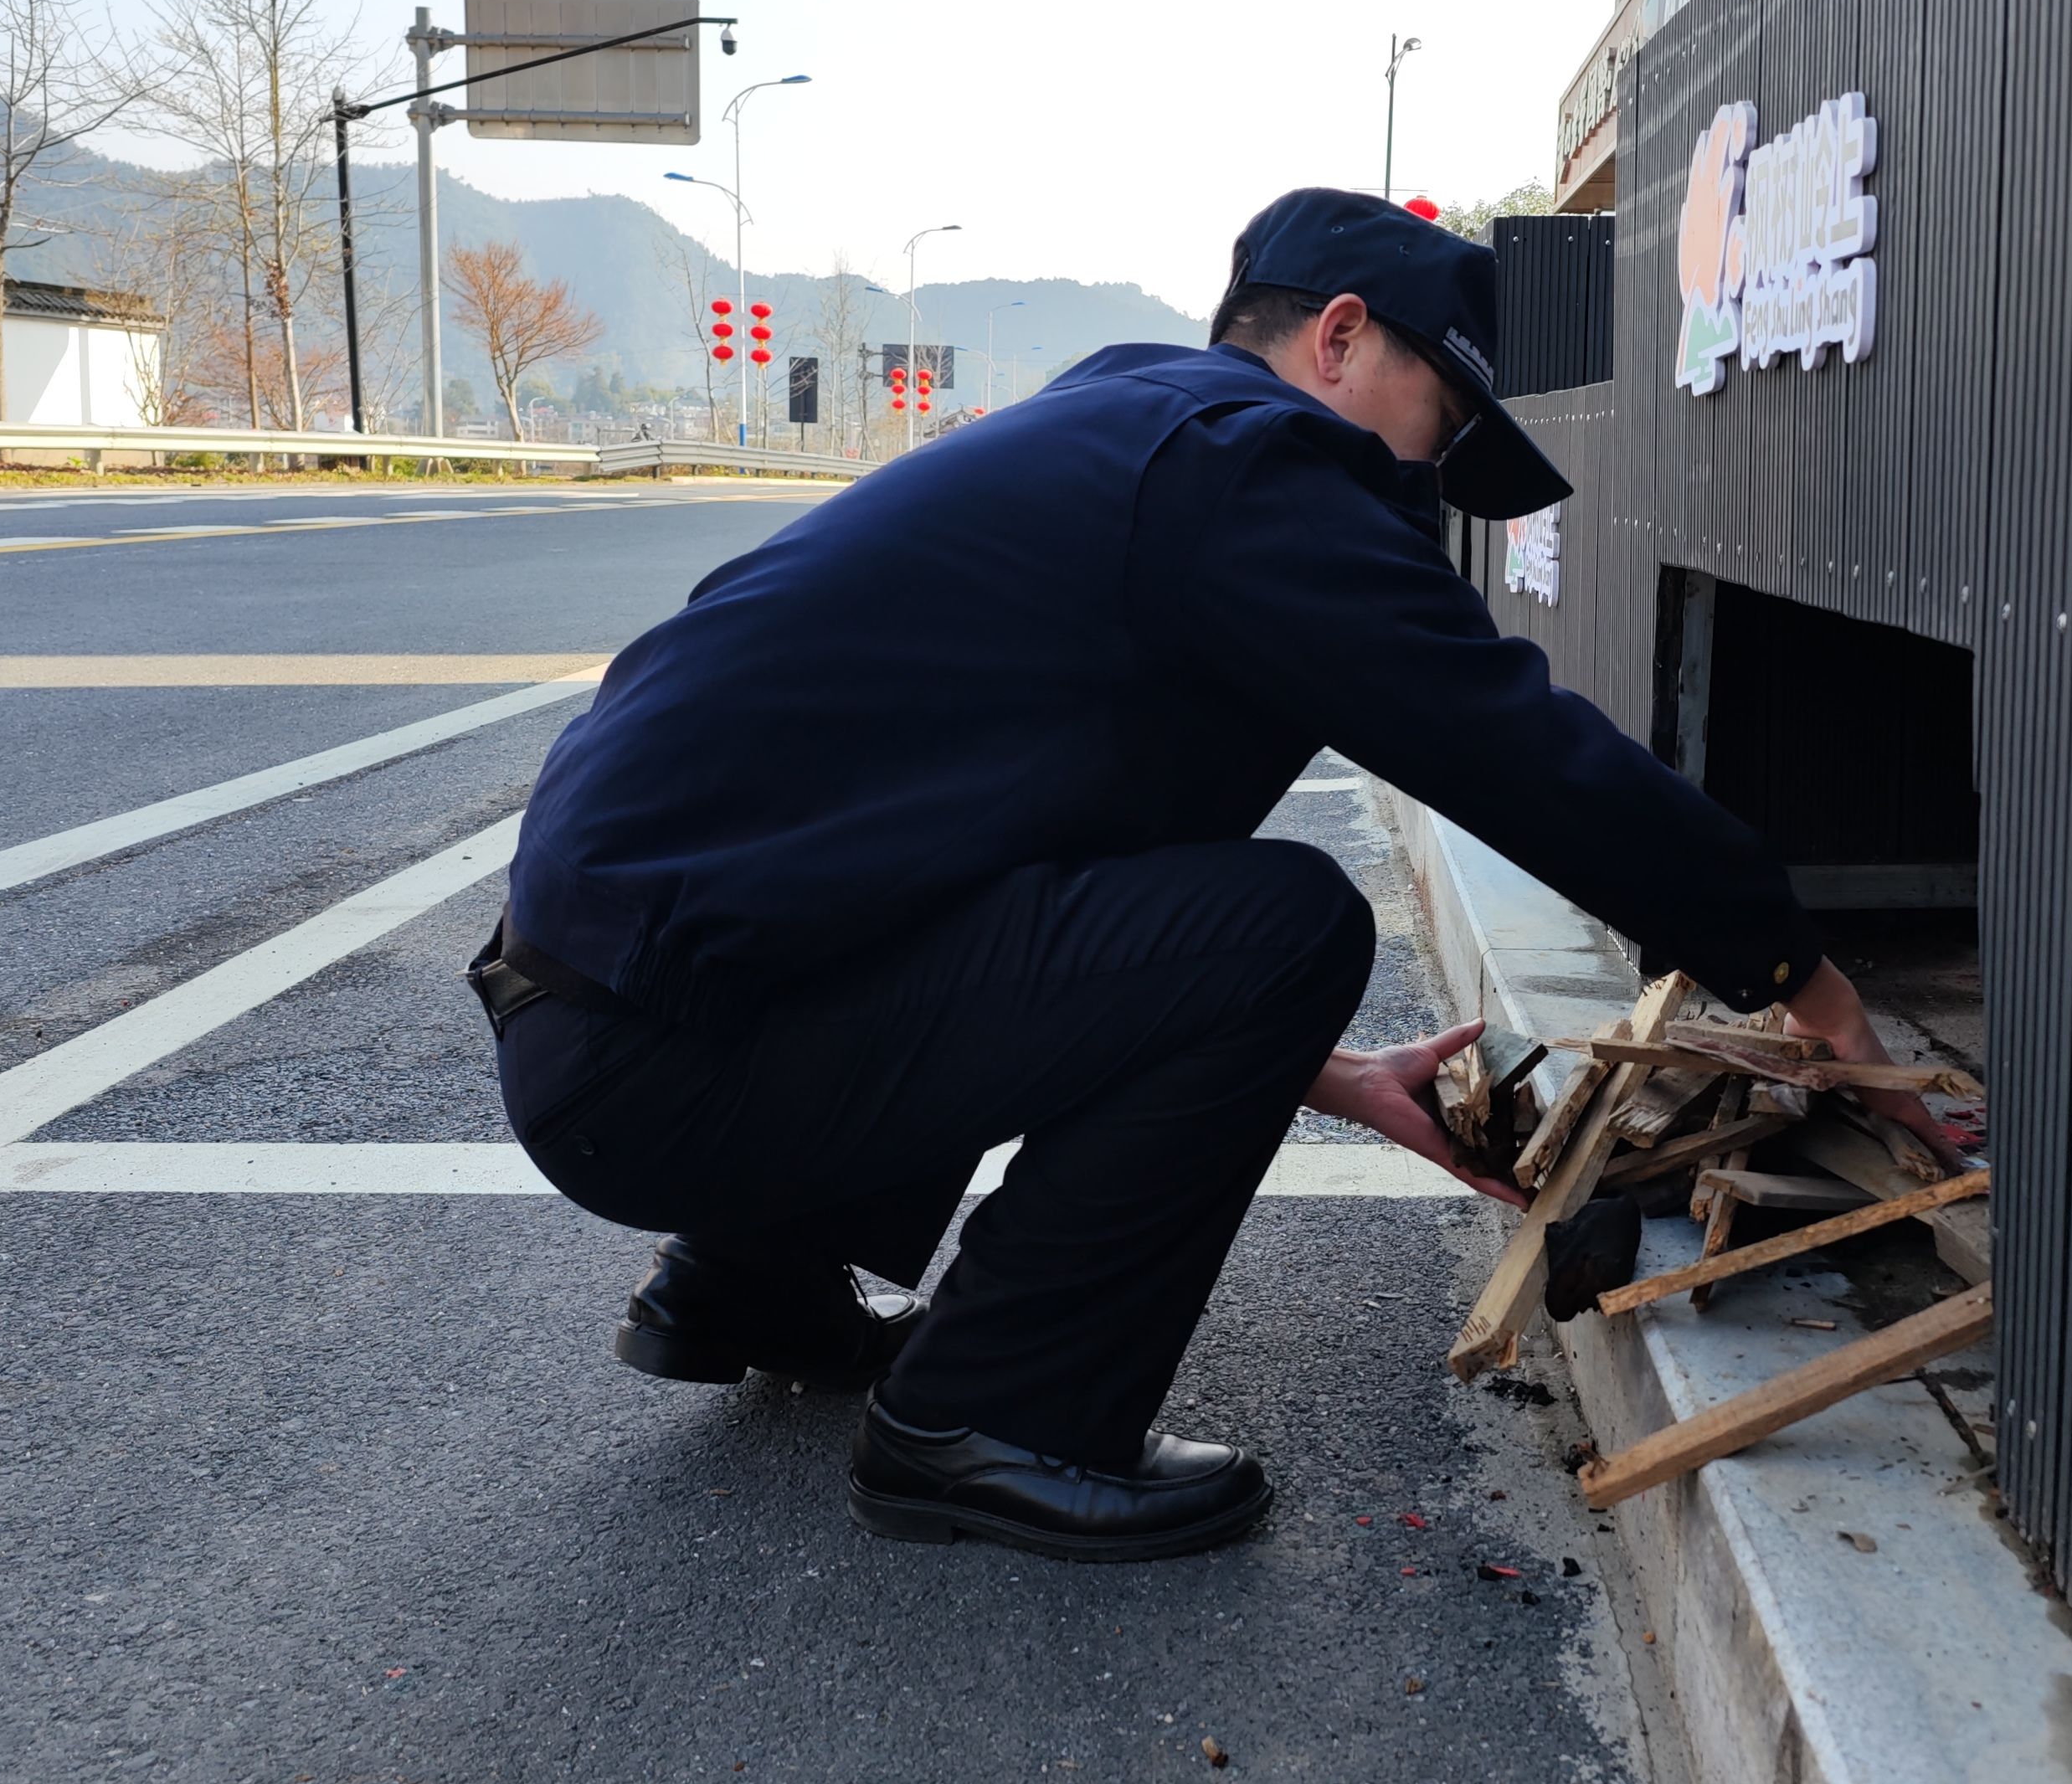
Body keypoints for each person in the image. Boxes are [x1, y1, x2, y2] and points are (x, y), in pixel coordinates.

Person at [473, 188, 1933, 1564]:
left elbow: (1038, 904)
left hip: (609, 1027)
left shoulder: (1118, 441)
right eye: (1438, 419)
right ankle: (991, 1414)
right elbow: (1513, 748)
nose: (1425, 476)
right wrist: (1802, 982)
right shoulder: (1246, 467)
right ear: (1342, 336)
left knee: (1070, 894)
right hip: (667, 1066)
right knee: (1291, 923)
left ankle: (743, 1283)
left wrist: (1327, 1078)